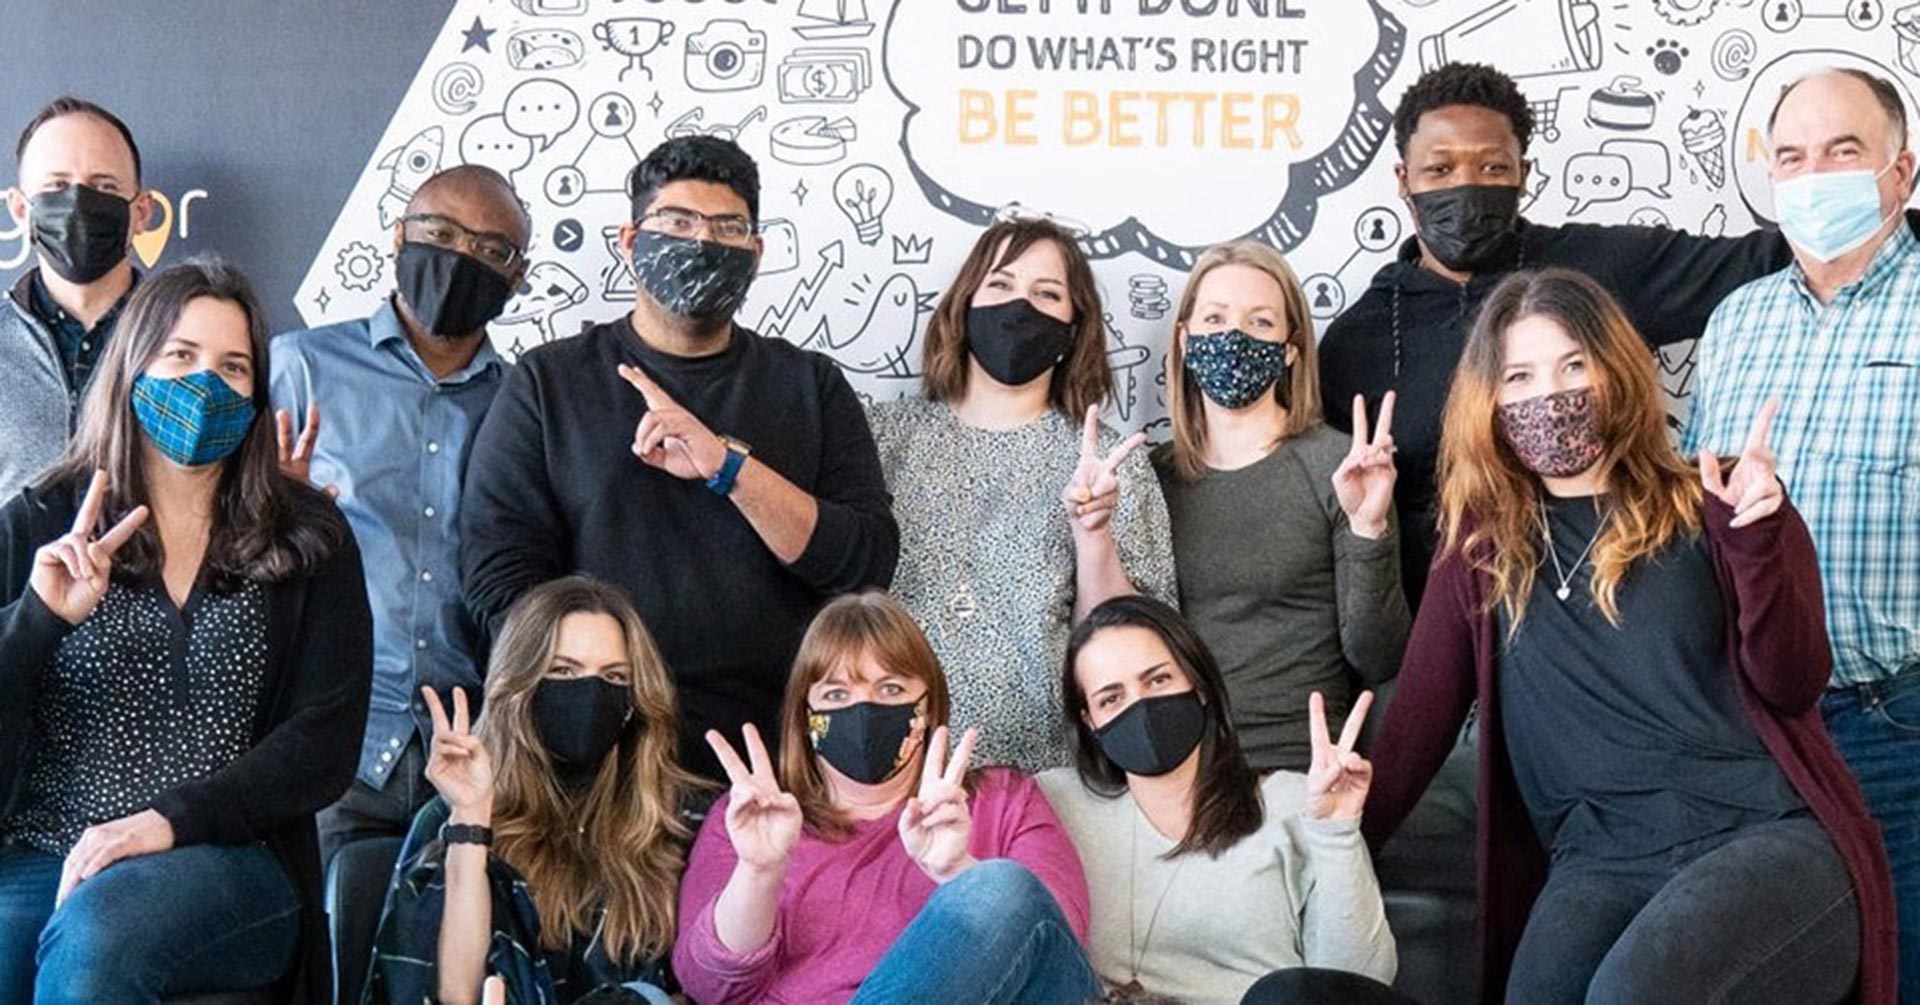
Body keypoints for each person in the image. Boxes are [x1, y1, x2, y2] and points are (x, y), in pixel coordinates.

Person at [1362, 268, 1895, 1003]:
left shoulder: (1718, 500)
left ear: (1616, 370)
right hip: (1600, 858)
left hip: (1762, 835)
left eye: (1573, 365)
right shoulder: (1482, 550)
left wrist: (1759, 541)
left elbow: (1793, 681)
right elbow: (1417, 725)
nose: (1549, 395)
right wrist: (1333, 838)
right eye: (1519, 376)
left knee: (1632, 993)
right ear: (1489, 401)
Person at [461, 135, 899, 782]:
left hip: (772, 763)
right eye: (678, 222)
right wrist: (591, 702)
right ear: (631, 240)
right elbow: (498, 574)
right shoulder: (549, 383)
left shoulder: (810, 384)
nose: (702, 242)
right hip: (596, 764)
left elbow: (864, 565)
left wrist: (727, 467)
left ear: (755, 253)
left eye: (728, 228)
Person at [0, 258, 372, 1003]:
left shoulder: (306, 536)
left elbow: (323, 743)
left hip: (224, 854)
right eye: (181, 356)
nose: (207, 383)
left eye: (233, 367)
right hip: (49, 847)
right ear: (131, 364)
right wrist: (38, 619)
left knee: (99, 938)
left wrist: (166, 821)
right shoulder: (39, 520)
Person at [1318, 62, 1793, 605]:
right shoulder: (1359, 340)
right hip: (1433, 621)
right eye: (1441, 170)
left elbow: (1761, 262)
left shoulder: (1596, 269)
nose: (1466, 188)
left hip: (1597, 606)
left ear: (1523, 172)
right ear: (1405, 180)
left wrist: (1870, 213)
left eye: (1492, 168)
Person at [1683, 67, 1920, 1001]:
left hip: (1895, 727)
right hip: (1751, 732)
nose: (1813, 174)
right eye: (1792, 157)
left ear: (1901, 170)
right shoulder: (1737, 321)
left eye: (1842, 151)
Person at [269, 164, 529, 867]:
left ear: (519, 275)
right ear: (399, 236)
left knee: (455, 968)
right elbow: (233, 542)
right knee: (324, 964)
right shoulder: (302, 366)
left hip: (475, 754)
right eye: (440, 232)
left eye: (491, 249)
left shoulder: (523, 403)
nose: (461, 256)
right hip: (333, 740)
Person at [672, 591, 1098, 1005]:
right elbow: (707, 987)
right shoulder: (749, 817)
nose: (864, 709)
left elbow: (1056, 945)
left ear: (929, 708)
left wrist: (959, 873)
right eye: (837, 695)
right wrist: (759, 872)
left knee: (1000, 886)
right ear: (806, 719)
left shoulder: (1004, 799)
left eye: (891, 689)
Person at [867, 218, 1176, 771]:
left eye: (1047, 294)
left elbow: (1134, 649)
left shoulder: (1110, 464)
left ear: (1073, 327)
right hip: (888, 773)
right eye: (1001, 285)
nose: (1021, 307)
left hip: (1043, 777)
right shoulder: (882, 438)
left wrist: (1094, 536)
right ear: (963, 304)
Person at [1040, 594, 1403, 1005]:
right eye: (1111, 698)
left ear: (1199, 684)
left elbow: (1359, 981)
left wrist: (1335, 831)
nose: (1139, 706)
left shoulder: (1291, 802)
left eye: (1158, 680)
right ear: (1089, 721)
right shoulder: (1054, 803)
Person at [365, 576, 700, 1005]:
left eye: (614, 677)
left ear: (635, 699)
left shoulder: (678, 818)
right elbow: (452, 996)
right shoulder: (450, 815)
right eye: (563, 671)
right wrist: (471, 818)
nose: (590, 694)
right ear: (521, 685)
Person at [1152, 240, 1407, 772]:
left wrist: (1369, 529)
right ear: (1184, 338)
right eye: (1215, 318)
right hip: (1171, 770)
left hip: (1299, 766)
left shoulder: (1340, 466)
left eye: (1261, 322)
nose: (1234, 337)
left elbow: (1378, 656)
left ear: (1291, 348)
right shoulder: (1151, 477)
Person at [1, 96, 156, 500]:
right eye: (56, 186)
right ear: (20, 209)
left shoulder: (183, 340)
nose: (78, 204)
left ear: (142, 211)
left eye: (104, 187)